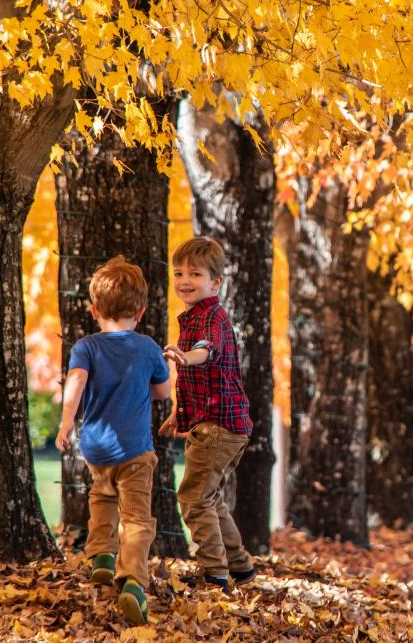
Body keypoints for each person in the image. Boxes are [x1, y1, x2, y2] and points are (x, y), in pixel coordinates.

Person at [55, 255, 171, 625]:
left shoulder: (86, 348)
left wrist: (65, 424)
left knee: (102, 498)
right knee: (136, 518)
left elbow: (74, 384)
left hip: (96, 449)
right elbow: (163, 393)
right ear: (140, 311)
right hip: (136, 451)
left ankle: (101, 556)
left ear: (93, 310)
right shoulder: (148, 348)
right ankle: (133, 580)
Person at [159, 236, 256, 590]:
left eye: (195, 274)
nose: (185, 280)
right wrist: (177, 414)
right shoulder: (194, 316)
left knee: (193, 498)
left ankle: (214, 573)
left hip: (218, 427)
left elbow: (207, 350)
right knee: (210, 496)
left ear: (215, 282)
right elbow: (196, 380)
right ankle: (240, 566)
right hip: (224, 425)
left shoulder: (212, 318)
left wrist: (188, 356)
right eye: (179, 273)